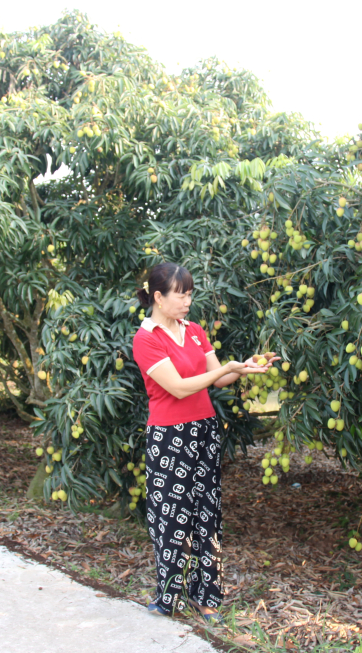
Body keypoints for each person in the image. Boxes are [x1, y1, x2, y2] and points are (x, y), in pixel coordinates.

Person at [132, 262, 276, 622]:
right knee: (170, 516)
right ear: (158, 297)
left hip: (205, 431)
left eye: (190, 293)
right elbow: (179, 388)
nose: (187, 301)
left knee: (206, 514)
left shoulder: (194, 331)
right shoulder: (146, 338)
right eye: (180, 294)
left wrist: (243, 366)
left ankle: (206, 595)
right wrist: (225, 368)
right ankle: (169, 597)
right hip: (169, 438)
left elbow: (217, 381)